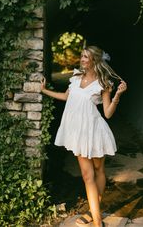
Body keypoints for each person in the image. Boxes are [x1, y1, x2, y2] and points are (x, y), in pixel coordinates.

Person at [40, 45, 127, 227]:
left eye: (86, 57)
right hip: (78, 133)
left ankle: (93, 210)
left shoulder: (103, 83)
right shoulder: (76, 77)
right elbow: (66, 97)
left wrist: (117, 95)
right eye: (82, 56)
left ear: (94, 60)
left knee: (99, 171)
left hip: (95, 131)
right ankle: (97, 222)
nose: (82, 59)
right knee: (88, 177)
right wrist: (44, 90)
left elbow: (108, 113)